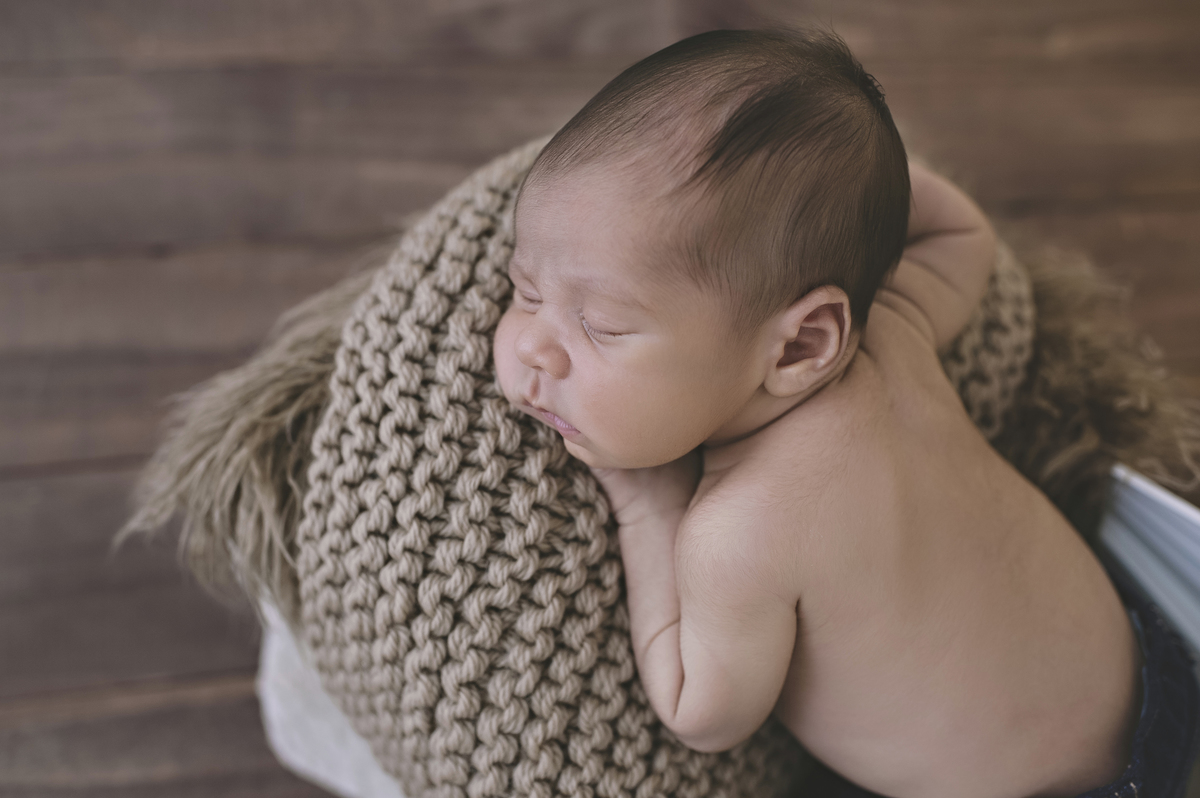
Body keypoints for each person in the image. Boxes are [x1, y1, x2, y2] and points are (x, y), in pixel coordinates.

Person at [492, 28, 1198, 797]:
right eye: (525, 289)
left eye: (602, 326)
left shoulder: (738, 534)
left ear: (801, 347)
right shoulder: (896, 334)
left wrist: (645, 507)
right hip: (1151, 668)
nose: (533, 345)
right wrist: (836, 207)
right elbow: (963, 234)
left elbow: (700, 712)